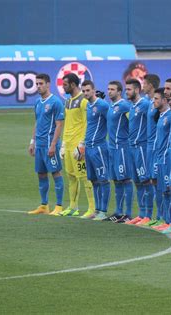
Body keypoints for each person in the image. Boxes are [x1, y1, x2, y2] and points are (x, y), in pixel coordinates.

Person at [58, 73, 96, 218]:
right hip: (68, 145)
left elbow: (87, 123)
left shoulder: (83, 101)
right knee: (71, 176)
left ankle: (92, 209)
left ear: (73, 85)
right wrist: (63, 144)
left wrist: (81, 144)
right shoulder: (67, 101)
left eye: (65, 84)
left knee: (84, 176)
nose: (63, 87)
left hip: (78, 146)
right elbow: (68, 124)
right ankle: (73, 207)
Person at [28, 73, 65, 215]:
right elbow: (37, 122)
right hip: (39, 145)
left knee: (56, 172)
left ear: (48, 84)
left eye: (41, 83)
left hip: (50, 144)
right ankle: (44, 205)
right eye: (36, 84)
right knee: (41, 174)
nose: (38, 86)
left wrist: (53, 144)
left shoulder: (56, 102)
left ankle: (59, 206)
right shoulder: (38, 102)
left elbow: (59, 125)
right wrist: (32, 142)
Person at [104, 81, 134, 223]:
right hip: (112, 148)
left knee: (125, 179)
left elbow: (132, 122)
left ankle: (128, 213)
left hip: (122, 147)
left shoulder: (124, 106)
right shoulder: (111, 106)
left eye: (112, 89)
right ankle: (118, 212)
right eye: (108, 89)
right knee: (116, 180)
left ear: (119, 91)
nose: (109, 91)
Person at [81, 80, 111, 221]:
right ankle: (97, 209)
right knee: (93, 180)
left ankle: (103, 211)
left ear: (94, 90)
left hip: (99, 147)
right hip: (89, 147)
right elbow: (90, 126)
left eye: (88, 90)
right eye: (84, 91)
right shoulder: (88, 105)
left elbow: (111, 122)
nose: (85, 93)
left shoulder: (102, 105)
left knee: (103, 179)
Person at [124, 78, 151, 225]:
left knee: (145, 181)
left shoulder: (145, 104)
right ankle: (141, 214)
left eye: (128, 89)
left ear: (136, 90)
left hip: (142, 147)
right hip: (132, 148)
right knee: (137, 182)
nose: (126, 92)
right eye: (125, 89)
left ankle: (148, 215)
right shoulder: (132, 106)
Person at [135, 74, 161, 226]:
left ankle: (159, 216)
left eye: (144, 84)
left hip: (156, 147)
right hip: (147, 146)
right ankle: (147, 215)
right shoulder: (148, 103)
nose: (142, 86)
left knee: (156, 182)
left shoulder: (157, 104)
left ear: (151, 85)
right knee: (148, 180)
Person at [150, 88, 171, 233]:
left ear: (164, 100)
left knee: (169, 190)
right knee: (163, 190)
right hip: (159, 158)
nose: (154, 101)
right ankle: (166, 220)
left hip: (167, 158)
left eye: (156, 99)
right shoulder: (160, 115)